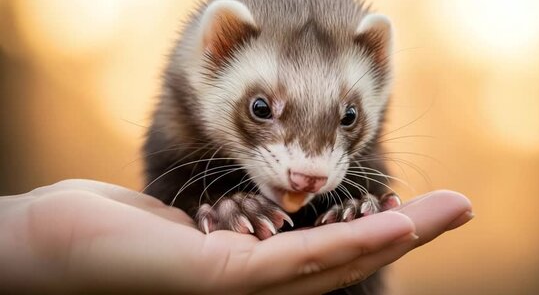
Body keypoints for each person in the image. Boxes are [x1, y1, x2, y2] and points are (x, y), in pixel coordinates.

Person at [0, 179, 473, 294]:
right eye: (263, 109)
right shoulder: (184, 174)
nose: (309, 163)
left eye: (345, 117)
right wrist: (40, 238)